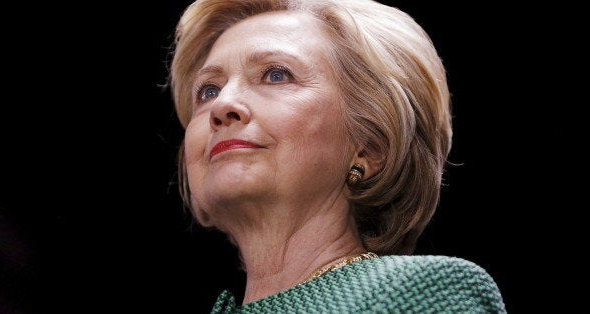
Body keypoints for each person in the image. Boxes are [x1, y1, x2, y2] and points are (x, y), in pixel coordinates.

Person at [169, 0, 506, 312]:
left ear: (370, 148)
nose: (222, 105)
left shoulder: (425, 293)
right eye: (208, 90)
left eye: (276, 75)